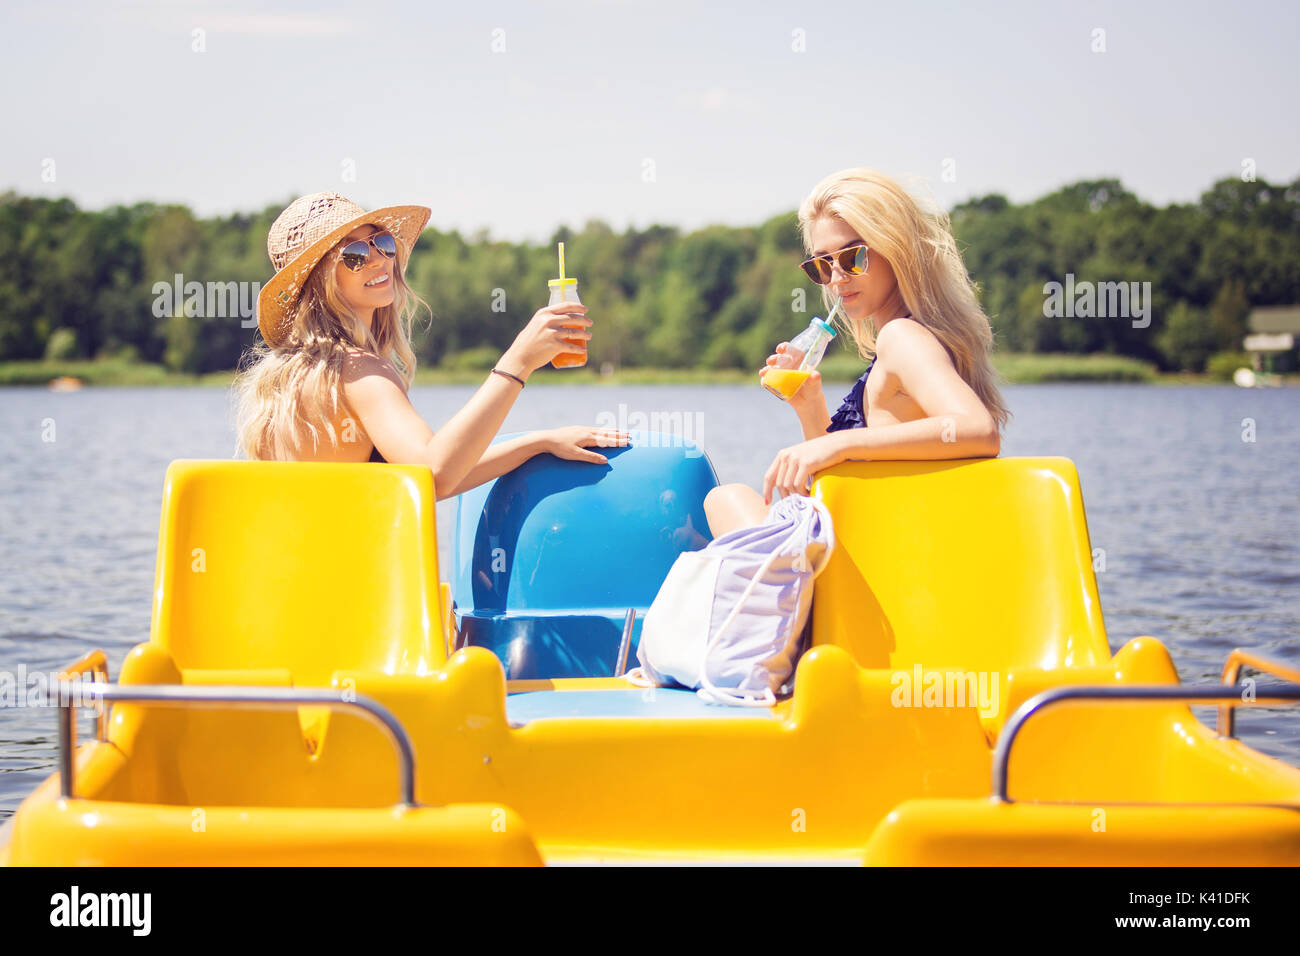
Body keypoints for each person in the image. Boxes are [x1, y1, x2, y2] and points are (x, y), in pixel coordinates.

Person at [233, 192, 626, 498]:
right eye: (352, 254)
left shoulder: (299, 373)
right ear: (319, 281)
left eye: (381, 242)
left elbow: (430, 473)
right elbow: (433, 475)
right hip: (350, 594)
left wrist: (538, 443)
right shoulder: (356, 370)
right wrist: (518, 362)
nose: (376, 259)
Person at [704, 168, 1010, 535]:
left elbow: (978, 430)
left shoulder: (902, 337)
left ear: (895, 248)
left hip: (883, 554)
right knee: (728, 500)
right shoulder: (906, 340)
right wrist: (809, 405)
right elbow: (836, 484)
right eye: (822, 264)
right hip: (874, 544)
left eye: (852, 257)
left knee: (727, 498)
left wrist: (843, 444)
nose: (836, 279)